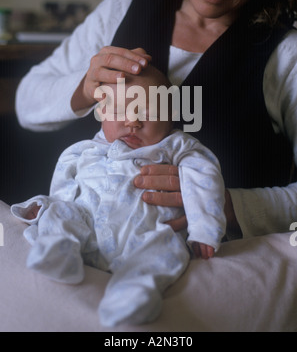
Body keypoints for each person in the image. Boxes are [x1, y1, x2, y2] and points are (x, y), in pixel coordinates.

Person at [15, 0, 297, 241]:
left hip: (214, 262)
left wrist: (228, 205)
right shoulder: (120, 9)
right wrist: (83, 88)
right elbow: (26, 102)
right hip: (92, 246)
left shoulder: (285, 54)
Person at [11, 65, 226, 326]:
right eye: (121, 110)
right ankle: (60, 249)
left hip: (147, 233)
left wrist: (204, 228)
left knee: (167, 248)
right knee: (60, 212)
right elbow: (61, 190)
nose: (133, 122)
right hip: (86, 225)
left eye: (148, 112)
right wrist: (47, 208)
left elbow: (204, 179)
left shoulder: (175, 145)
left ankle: (134, 292)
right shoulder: (82, 151)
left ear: (171, 117)